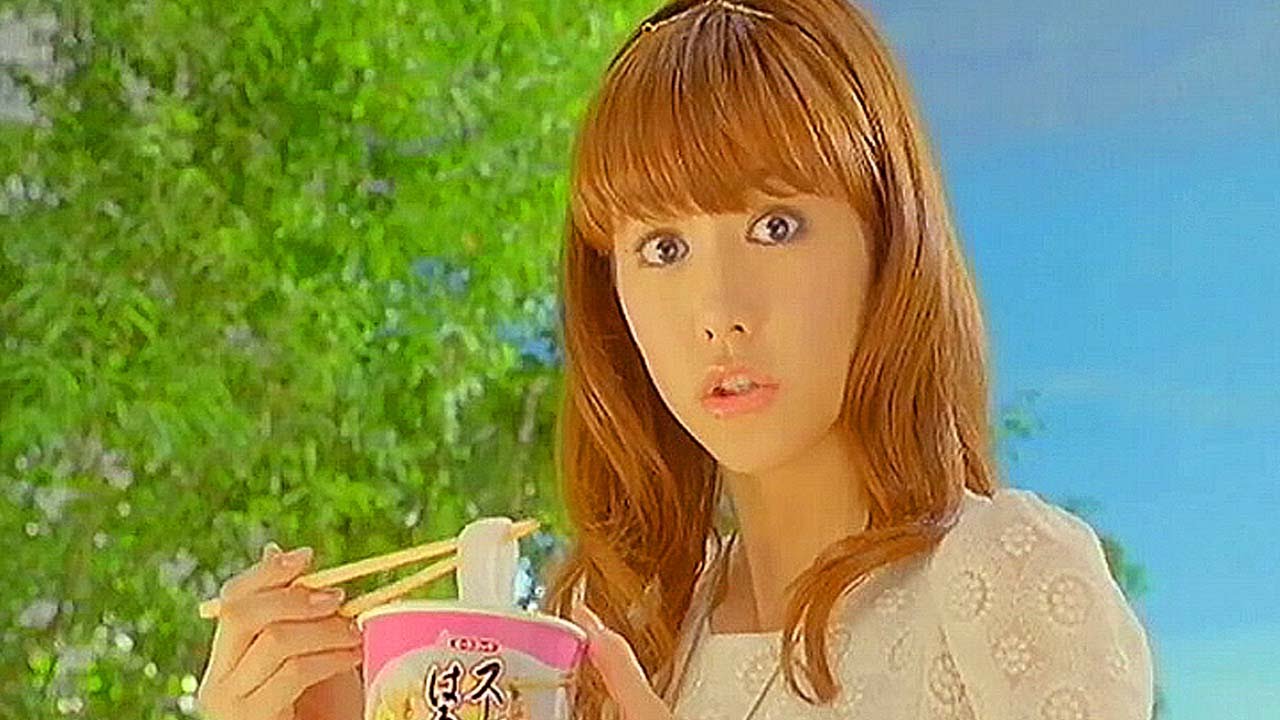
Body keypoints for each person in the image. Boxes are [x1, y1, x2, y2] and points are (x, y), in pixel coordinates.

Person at [547, 1, 1156, 719]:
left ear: (887, 244)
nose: (719, 312)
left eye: (776, 227)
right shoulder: (641, 633)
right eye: (664, 248)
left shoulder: (999, 576)